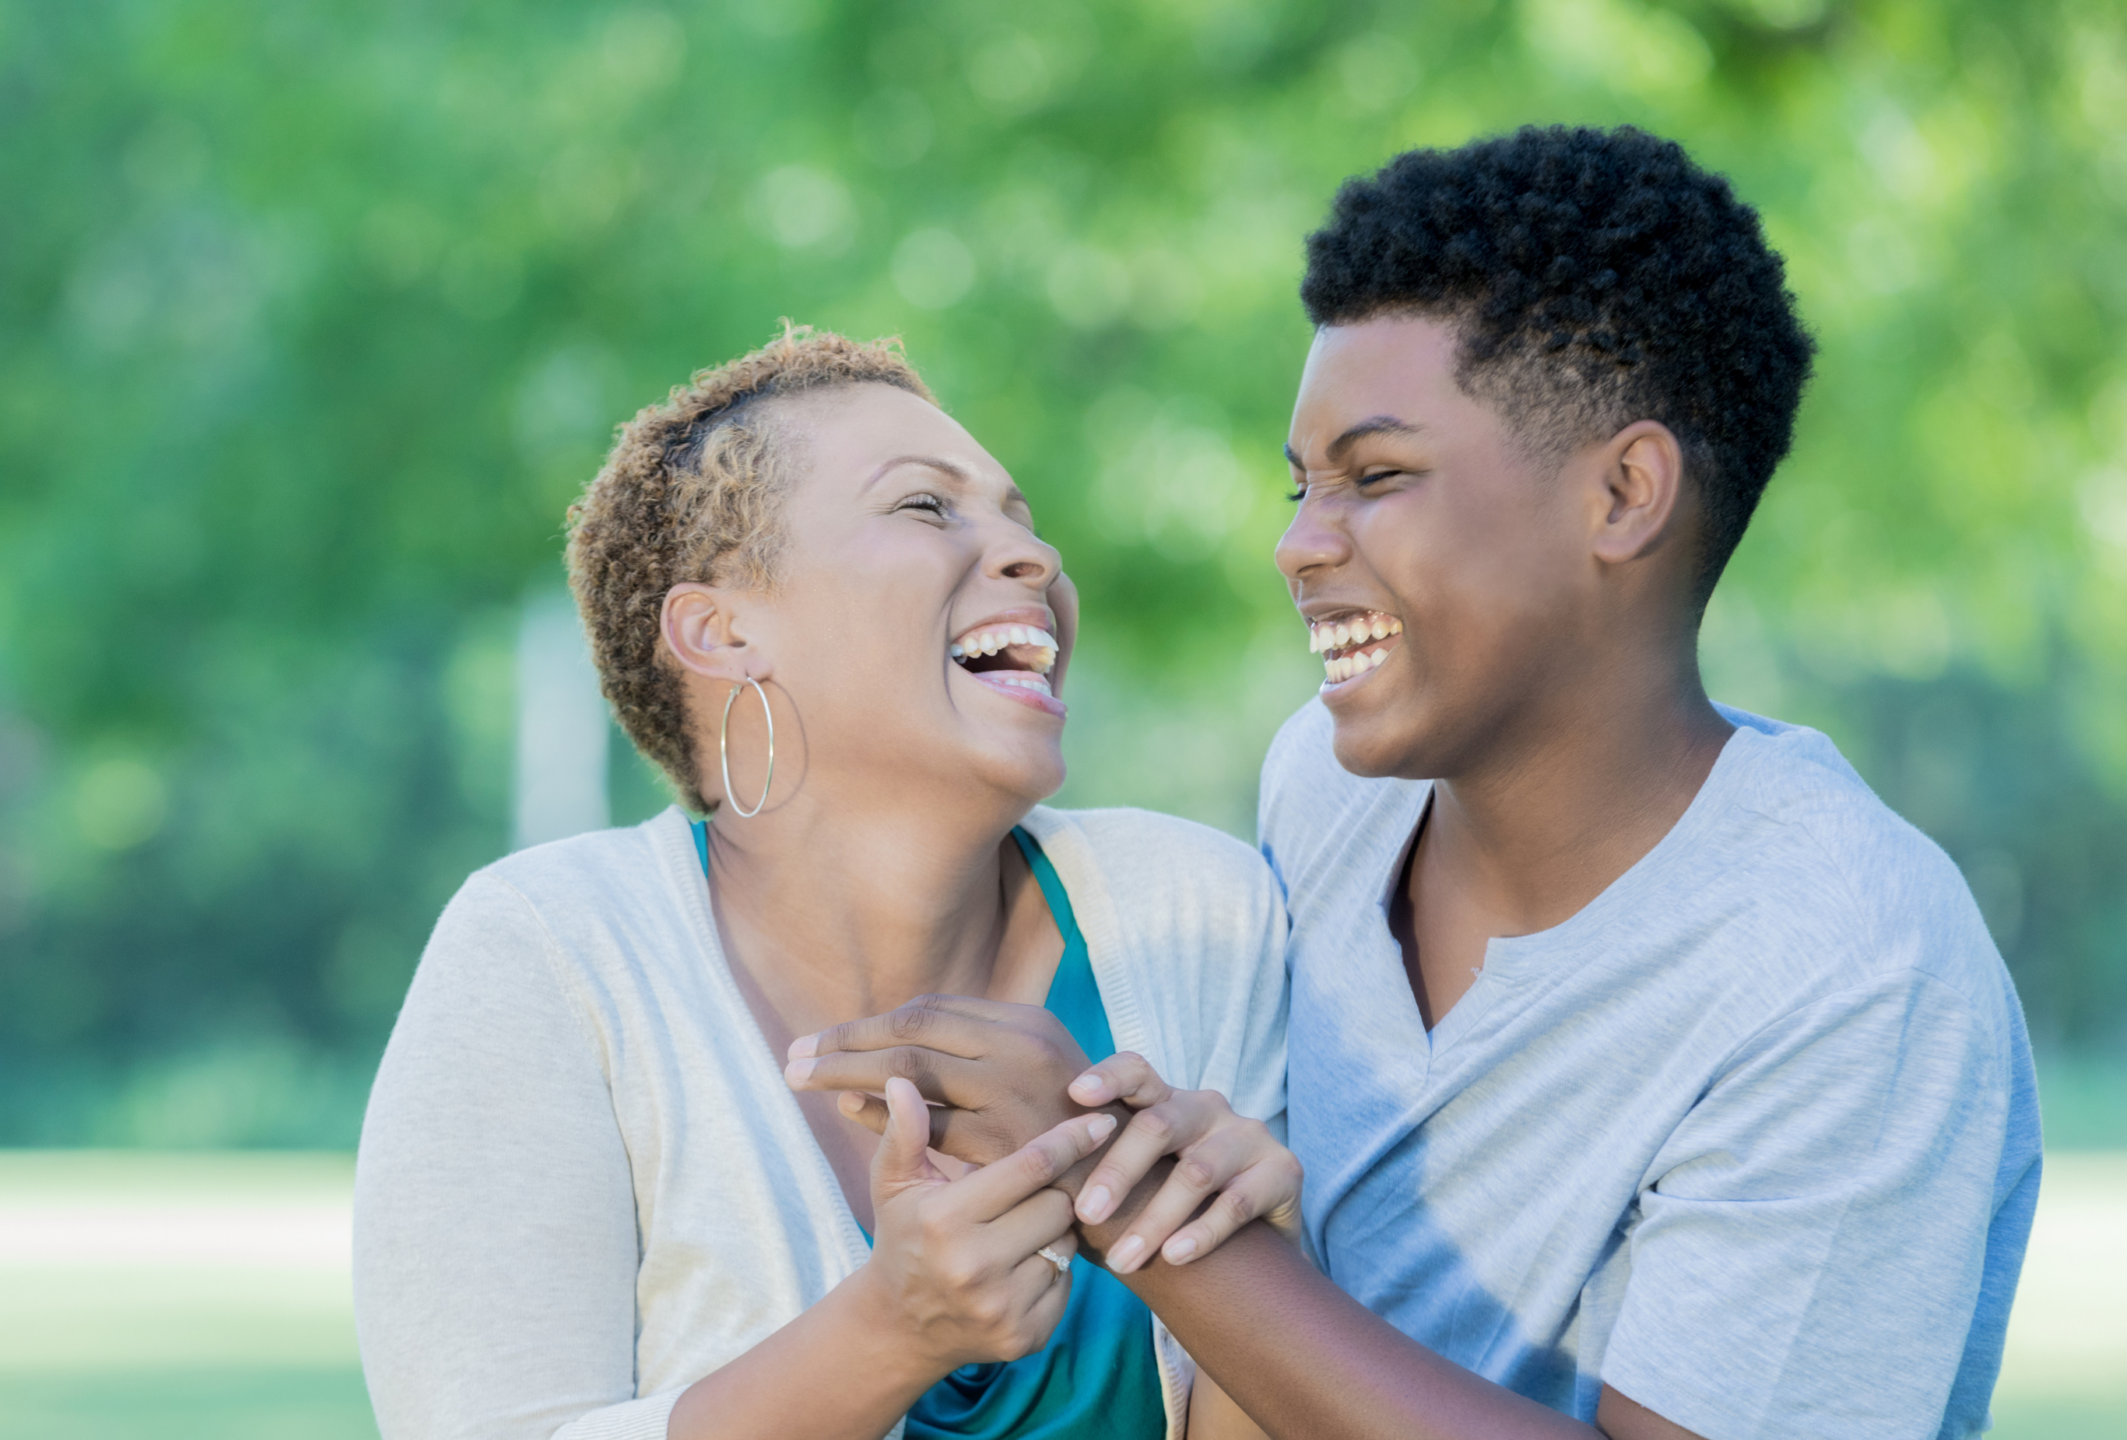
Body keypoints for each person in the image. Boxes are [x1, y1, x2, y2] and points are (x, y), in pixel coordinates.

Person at [788, 126, 2041, 1440]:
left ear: (1623, 493)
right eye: (1301, 486)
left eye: (1377, 477)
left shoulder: (1852, 966)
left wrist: (1133, 1201)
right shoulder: (1327, 791)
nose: (1296, 544)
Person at [353, 326, 1297, 1440]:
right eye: (925, 508)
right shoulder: (550, 952)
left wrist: (1254, 1272)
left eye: (1022, 519)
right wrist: (885, 1338)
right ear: (721, 631)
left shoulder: (1195, 912)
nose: (1030, 559)